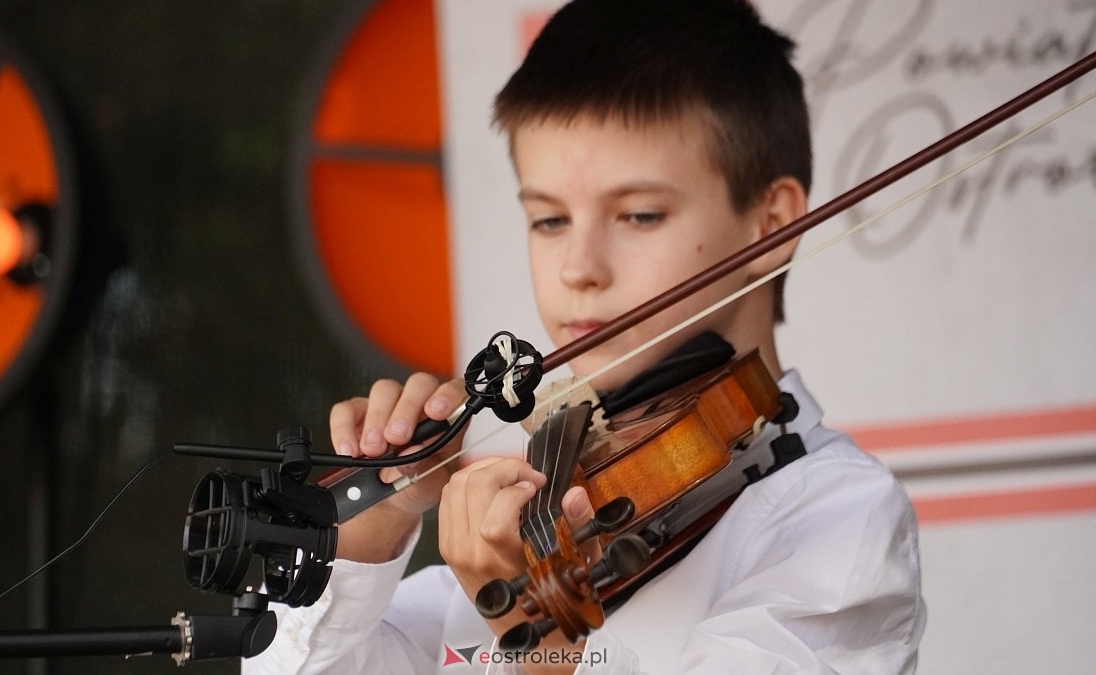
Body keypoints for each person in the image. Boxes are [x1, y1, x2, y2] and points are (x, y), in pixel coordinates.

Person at [245, 0, 926, 672]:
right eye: (549, 220)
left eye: (638, 215)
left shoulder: (839, 516)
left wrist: (533, 631)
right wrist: (368, 530)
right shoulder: (545, 507)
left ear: (771, 224)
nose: (578, 268)